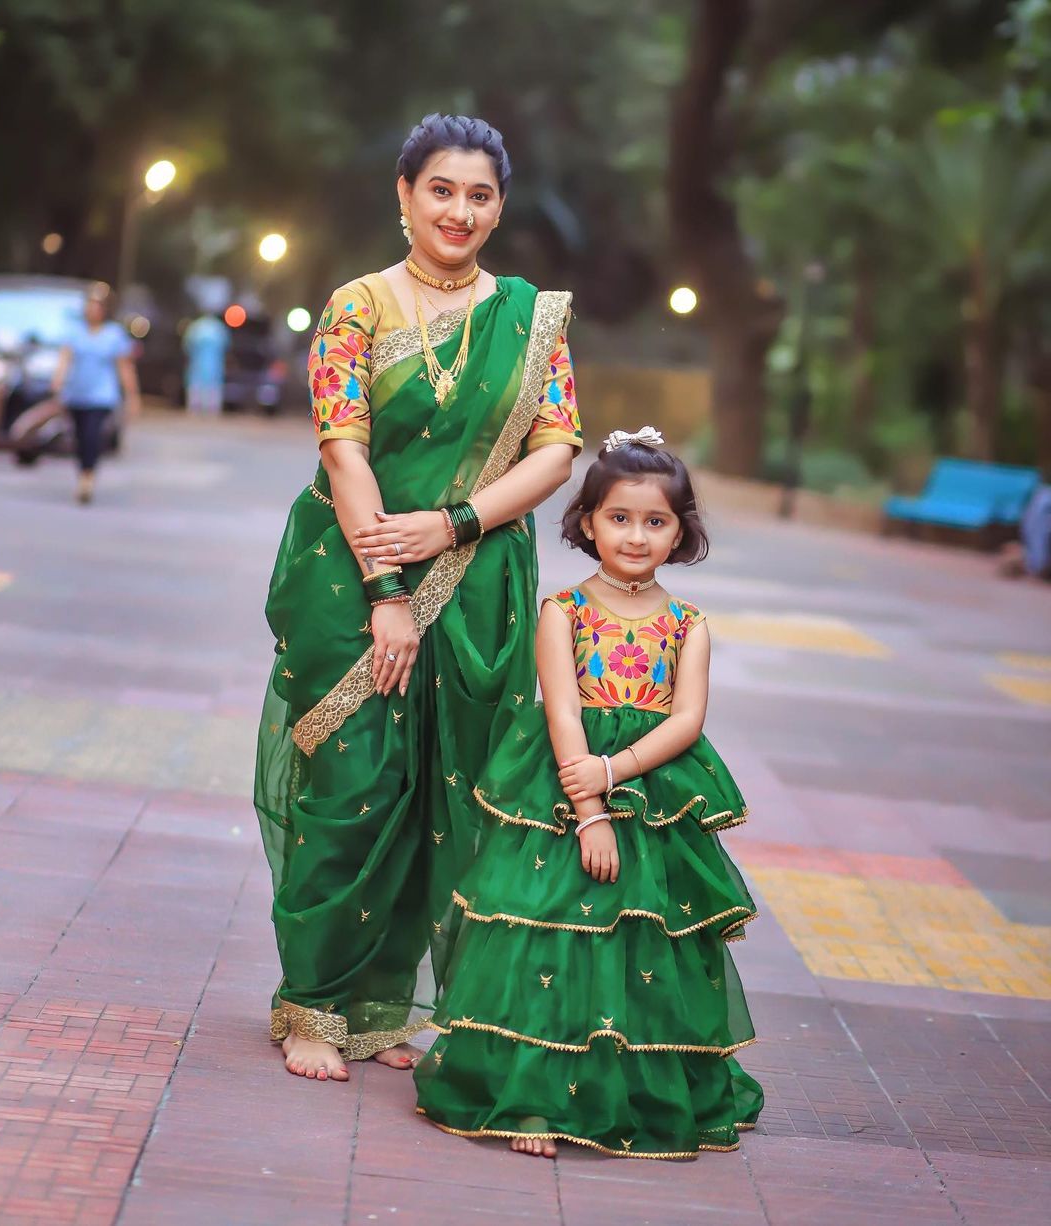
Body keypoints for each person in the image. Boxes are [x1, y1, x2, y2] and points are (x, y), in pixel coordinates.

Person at [255, 114, 582, 1083]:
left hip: (479, 588)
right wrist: (386, 588)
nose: (460, 210)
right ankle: (314, 1002)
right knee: (354, 788)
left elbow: (558, 450)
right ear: (404, 196)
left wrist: (456, 524)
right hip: (353, 579)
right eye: (441, 189)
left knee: (453, 793)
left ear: (499, 208)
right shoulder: (356, 307)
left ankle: (384, 1006)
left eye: (479, 194)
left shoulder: (531, 320)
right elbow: (342, 449)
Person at [414, 428, 763, 1159]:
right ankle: (536, 1097)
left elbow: (688, 719)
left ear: (681, 531)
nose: (636, 536)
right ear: (588, 521)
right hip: (563, 795)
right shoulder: (563, 612)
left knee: (641, 941)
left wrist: (618, 770)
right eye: (620, 517)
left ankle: (636, 1088)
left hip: (655, 798)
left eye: (656, 521)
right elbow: (564, 710)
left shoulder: (689, 626)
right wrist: (590, 808)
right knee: (552, 935)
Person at [49, 288, 140, 502]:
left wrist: (132, 395)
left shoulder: (114, 334)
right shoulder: (75, 332)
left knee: (92, 434)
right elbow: (65, 359)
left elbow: (124, 367)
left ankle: (87, 477)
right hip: (77, 393)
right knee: (80, 437)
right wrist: (58, 383)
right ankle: (83, 470)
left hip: (101, 395)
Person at [182, 312, 229, 413]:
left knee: (197, 384)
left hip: (199, 361)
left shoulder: (196, 327)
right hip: (213, 362)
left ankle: (196, 408)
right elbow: (226, 346)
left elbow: (187, 345)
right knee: (211, 385)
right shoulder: (218, 327)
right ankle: (211, 409)